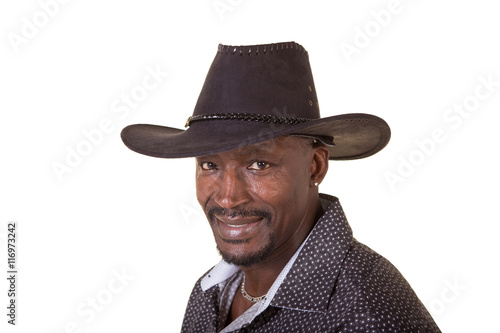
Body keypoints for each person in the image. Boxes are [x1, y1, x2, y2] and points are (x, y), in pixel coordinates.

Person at [121, 41, 441, 332]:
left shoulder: (364, 310)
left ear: (315, 167)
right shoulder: (212, 292)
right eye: (210, 165)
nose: (228, 197)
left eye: (259, 164)